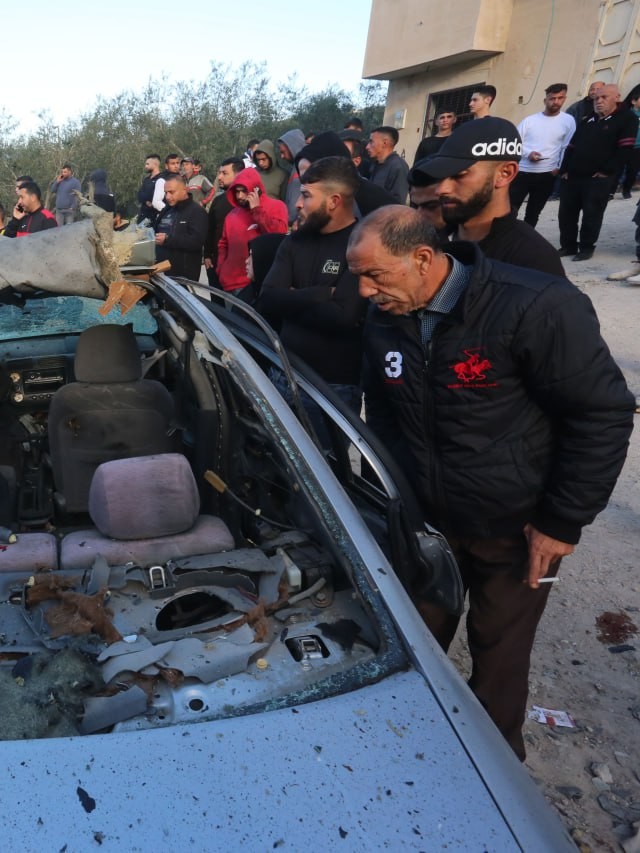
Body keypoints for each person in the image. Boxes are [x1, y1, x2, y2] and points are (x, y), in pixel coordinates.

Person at [351, 205, 633, 760]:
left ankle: (494, 773)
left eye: (374, 275)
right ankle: (412, 751)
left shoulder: (533, 305)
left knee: (498, 654)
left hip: (517, 527)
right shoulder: (388, 313)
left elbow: (600, 414)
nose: (363, 291)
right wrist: (393, 499)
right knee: (414, 640)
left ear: (424, 258)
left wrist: (559, 523)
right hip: (429, 523)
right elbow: (382, 410)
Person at [255, 157, 366, 450]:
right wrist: (320, 293)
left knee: (327, 474)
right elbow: (267, 299)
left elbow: (344, 315)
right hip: (282, 376)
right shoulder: (295, 242)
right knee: (275, 464)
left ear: (334, 201)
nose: (298, 204)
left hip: (332, 389)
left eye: (306, 196)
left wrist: (291, 298)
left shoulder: (363, 243)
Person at [411, 117, 564, 277]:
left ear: (505, 173)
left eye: (459, 175)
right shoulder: (431, 237)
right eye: (442, 176)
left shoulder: (534, 260)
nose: (442, 189)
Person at [558, 83, 638, 261]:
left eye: (604, 97)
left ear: (616, 97)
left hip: (598, 178)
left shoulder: (627, 119)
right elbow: (571, 146)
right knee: (566, 213)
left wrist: (606, 171)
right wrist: (564, 169)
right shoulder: (588, 120)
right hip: (573, 176)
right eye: (596, 98)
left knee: (592, 214)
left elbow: (624, 149)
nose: (598, 101)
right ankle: (568, 245)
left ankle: (586, 248)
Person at [510, 84, 576, 228]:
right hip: (522, 172)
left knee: (533, 213)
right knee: (510, 210)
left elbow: (567, 146)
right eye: (552, 98)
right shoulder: (530, 121)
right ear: (545, 100)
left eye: (560, 98)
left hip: (547, 174)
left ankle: (526, 241)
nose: (556, 102)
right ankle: (505, 240)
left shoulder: (568, 121)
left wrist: (559, 167)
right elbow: (514, 143)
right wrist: (528, 154)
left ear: (564, 99)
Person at [216, 167, 288, 295]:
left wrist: (257, 211)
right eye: (237, 192)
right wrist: (221, 269)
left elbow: (279, 236)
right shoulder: (232, 215)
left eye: (244, 191)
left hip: (258, 283)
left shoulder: (276, 206)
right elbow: (223, 244)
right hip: (230, 283)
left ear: (256, 189)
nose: (240, 196)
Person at [154, 176, 208, 280]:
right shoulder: (167, 210)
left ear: (184, 190)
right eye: (166, 193)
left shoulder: (197, 212)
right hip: (162, 272)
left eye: (171, 192)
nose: (167, 197)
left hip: (183, 275)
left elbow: (196, 242)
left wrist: (168, 239)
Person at [203, 158, 244, 282]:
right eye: (219, 173)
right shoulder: (218, 201)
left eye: (225, 173)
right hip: (215, 262)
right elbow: (210, 229)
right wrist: (207, 255)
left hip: (240, 266)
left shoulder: (247, 201)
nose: (219, 177)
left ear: (239, 174)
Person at [366, 127, 410, 202]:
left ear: (384, 143)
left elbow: (397, 203)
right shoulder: (375, 164)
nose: (367, 147)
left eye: (371, 142)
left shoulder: (398, 167)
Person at [136, 154, 166, 226]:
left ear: (155, 164)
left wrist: (150, 198)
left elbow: (153, 196)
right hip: (143, 216)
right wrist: (146, 201)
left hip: (155, 217)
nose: (145, 166)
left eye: (147, 164)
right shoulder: (146, 179)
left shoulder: (162, 178)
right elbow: (139, 194)